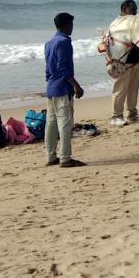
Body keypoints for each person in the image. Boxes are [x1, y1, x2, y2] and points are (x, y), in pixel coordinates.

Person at [44, 12, 85, 168]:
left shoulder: (49, 43)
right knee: (65, 124)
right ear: (67, 25)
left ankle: (50, 156)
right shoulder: (64, 42)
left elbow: (48, 70)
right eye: (72, 25)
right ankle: (65, 158)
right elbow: (64, 69)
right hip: (62, 89)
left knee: (51, 123)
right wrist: (76, 85)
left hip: (51, 88)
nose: (72, 28)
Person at [110, 0, 139, 127]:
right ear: (124, 10)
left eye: (136, 9)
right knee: (120, 89)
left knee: (133, 89)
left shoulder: (132, 22)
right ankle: (116, 115)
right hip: (122, 62)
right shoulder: (117, 24)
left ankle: (132, 114)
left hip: (134, 60)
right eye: (132, 10)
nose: (135, 12)